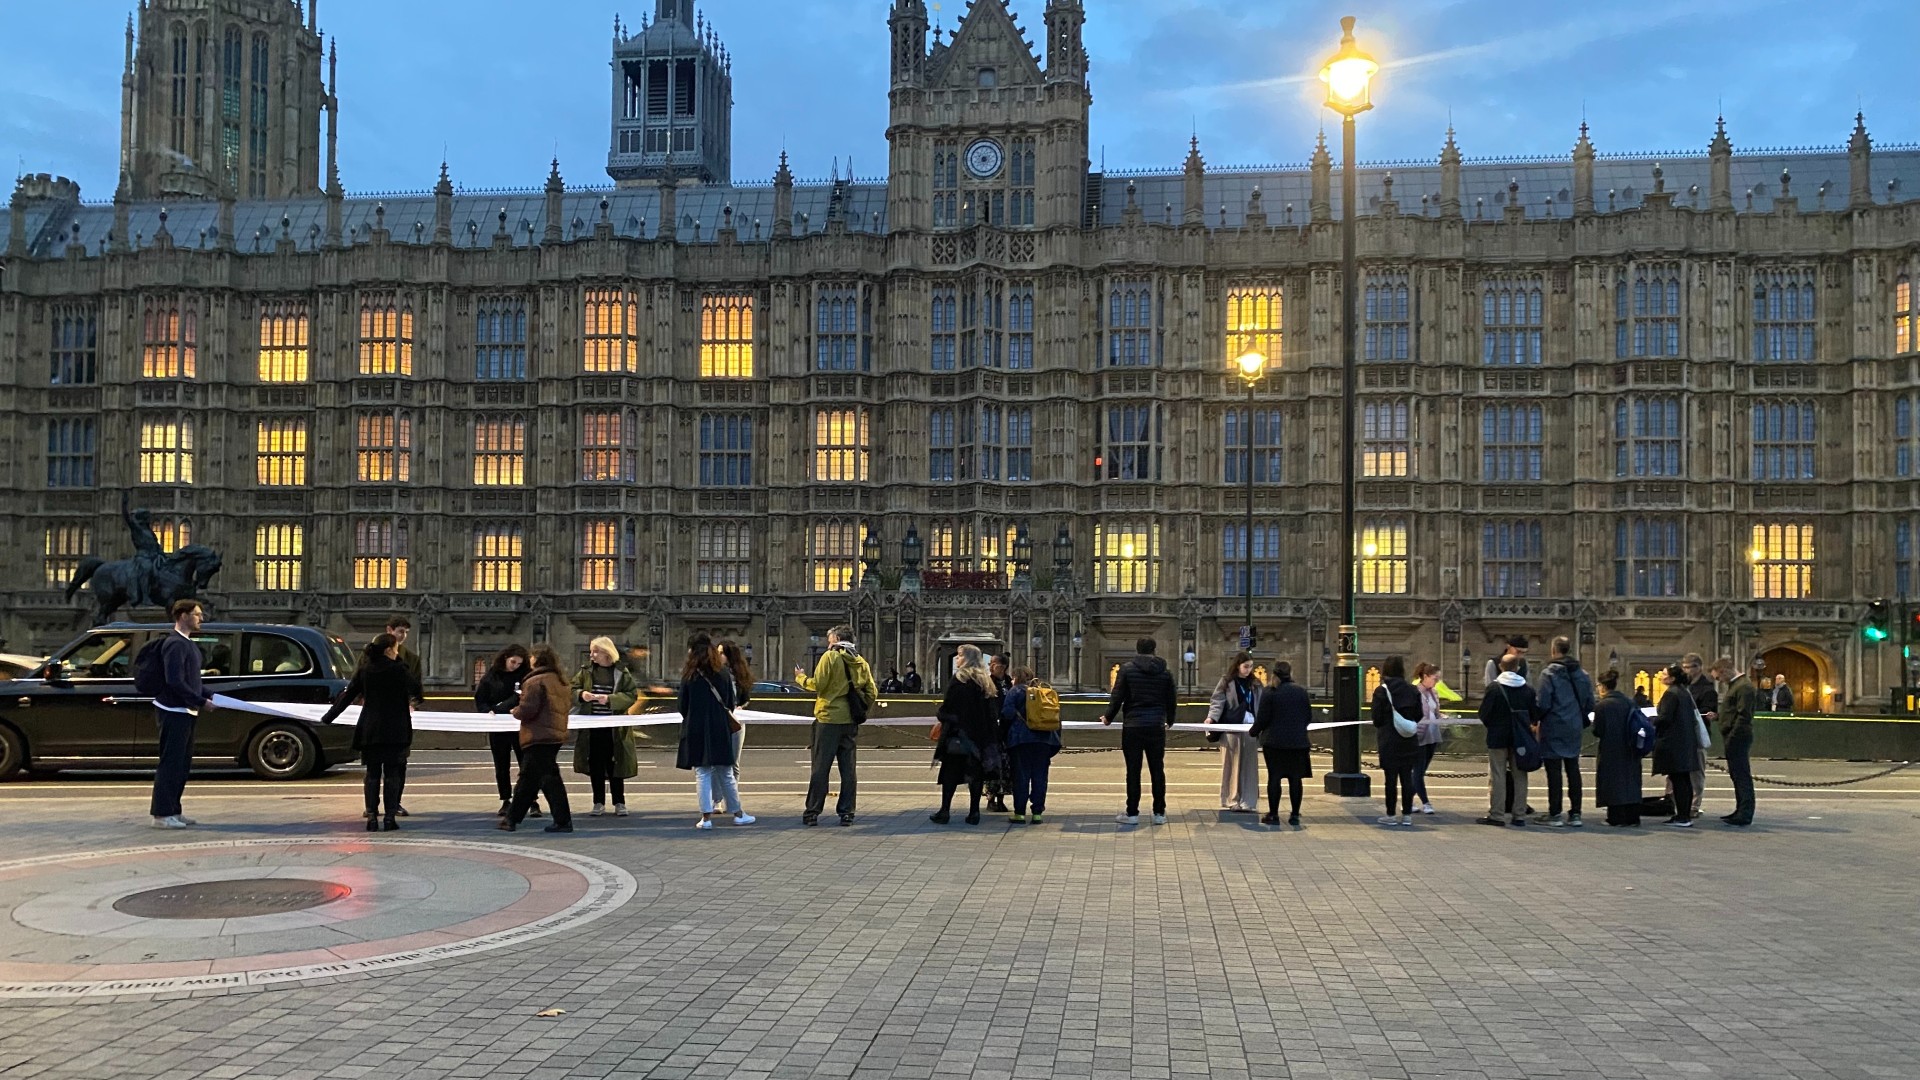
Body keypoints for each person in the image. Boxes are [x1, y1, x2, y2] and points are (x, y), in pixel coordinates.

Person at [321, 633, 420, 831]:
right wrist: (400, 663)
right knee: (392, 774)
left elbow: (347, 696)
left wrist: (328, 717)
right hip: (395, 729)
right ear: (389, 650)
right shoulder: (399, 669)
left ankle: (372, 817)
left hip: (370, 728)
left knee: (372, 774)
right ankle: (390, 818)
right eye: (395, 649)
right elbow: (417, 690)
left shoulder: (365, 670)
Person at [795, 624, 878, 827]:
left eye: (829, 639)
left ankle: (812, 812)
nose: (827, 642)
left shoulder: (830, 657)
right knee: (848, 769)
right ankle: (847, 812)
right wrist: (860, 708)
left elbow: (819, 685)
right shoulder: (859, 660)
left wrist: (800, 678)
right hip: (850, 720)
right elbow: (872, 692)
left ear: (836, 638)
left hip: (828, 719)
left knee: (821, 768)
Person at [148, 598, 216, 829]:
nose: (201, 618)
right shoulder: (175, 644)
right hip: (173, 710)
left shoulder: (187, 644)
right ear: (183, 616)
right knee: (170, 763)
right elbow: (175, 681)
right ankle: (162, 814)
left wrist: (208, 695)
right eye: (197, 614)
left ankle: (174, 810)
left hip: (186, 710)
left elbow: (192, 681)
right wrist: (200, 700)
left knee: (182, 764)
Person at [677, 633, 753, 829]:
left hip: (696, 727)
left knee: (702, 773)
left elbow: (681, 705)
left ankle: (706, 818)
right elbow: (729, 702)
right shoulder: (722, 673)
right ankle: (738, 814)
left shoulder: (689, 675)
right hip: (719, 726)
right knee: (726, 771)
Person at [1101, 637, 1179, 825]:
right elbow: (1171, 698)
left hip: (1134, 725)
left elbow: (1117, 696)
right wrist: (1170, 720)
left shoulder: (1127, 670)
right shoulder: (1165, 672)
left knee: (1133, 771)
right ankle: (1159, 813)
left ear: (1137, 649)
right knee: (1157, 770)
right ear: (1154, 650)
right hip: (1156, 725)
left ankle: (1132, 813)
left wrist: (1108, 717)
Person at [499, 644, 574, 833]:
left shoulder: (535, 681)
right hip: (554, 734)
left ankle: (516, 819)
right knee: (537, 778)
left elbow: (528, 709)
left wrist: (515, 711)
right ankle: (514, 819)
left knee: (538, 779)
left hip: (538, 735)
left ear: (536, 659)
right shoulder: (559, 679)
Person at [930, 645, 1001, 825]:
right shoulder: (986, 682)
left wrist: (941, 715)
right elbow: (992, 714)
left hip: (958, 737)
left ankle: (944, 811)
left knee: (950, 775)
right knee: (975, 776)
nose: (957, 659)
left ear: (968, 658)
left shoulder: (959, 679)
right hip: (979, 739)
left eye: (960, 655)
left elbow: (949, 709)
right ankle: (974, 812)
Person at [572, 637, 640, 816]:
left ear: (607, 652)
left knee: (615, 763)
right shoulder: (585, 671)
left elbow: (631, 695)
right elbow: (571, 689)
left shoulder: (621, 672)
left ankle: (619, 802)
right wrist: (581, 694)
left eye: (595, 651)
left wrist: (610, 700)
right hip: (592, 726)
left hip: (615, 727)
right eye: (591, 651)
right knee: (595, 763)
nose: (592, 655)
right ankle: (598, 802)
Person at [1533, 636, 1595, 828]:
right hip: (1574, 726)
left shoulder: (1549, 674)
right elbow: (1590, 703)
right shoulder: (1583, 674)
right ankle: (1576, 813)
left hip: (1553, 726)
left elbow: (1543, 703)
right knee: (1573, 769)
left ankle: (1555, 813)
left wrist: (1535, 720)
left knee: (1554, 772)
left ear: (1553, 650)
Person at [474, 643, 540, 819]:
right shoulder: (491, 676)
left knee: (525, 764)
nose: (515, 666)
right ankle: (505, 799)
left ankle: (532, 800)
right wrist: (486, 710)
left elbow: (522, 696)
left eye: (519, 663)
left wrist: (502, 707)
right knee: (501, 764)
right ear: (505, 658)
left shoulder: (525, 675)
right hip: (497, 726)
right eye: (513, 662)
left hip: (520, 725)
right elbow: (481, 699)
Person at [1248, 661, 1313, 826]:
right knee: (1295, 779)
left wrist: (1253, 732)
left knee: (1274, 778)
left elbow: (1262, 719)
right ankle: (1295, 815)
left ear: (1274, 674)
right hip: (1298, 743)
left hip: (1275, 743)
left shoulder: (1270, 692)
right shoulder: (1301, 692)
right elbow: (1308, 717)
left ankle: (1274, 815)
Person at [1476, 654, 1538, 827]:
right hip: (1521, 739)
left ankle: (1497, 814)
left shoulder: (1494, 689)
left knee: (1498, 775)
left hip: (1498, 737)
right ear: (1518, 668)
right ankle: (1519, 814)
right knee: (1520, 776)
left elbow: (1484, 714)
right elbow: (1534, 715)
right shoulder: (1527, 689)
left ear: (1501, 667)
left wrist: (1494, 726)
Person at [1205, 652, 1263, 813]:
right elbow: (1217, 701)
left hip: (1250, 728)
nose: (1248, 670)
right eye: (1246, 666)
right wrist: (1211, 718)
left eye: (1250, 666)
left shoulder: (1256, 684)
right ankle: (1231, 799)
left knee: (1249, 765)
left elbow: (1261, 704)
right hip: (1231, 727)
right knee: (1231, 764)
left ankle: (1248, 800)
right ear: (1238, 665)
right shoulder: (1227, 682)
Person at [1001, 666, 1060, 824]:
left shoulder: (1015, 691)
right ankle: (1037, 813)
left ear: (1016, 677)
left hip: (1021, 740)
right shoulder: (1043, 692)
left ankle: (1020, 813)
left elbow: (1006, 713)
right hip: (1044, 741)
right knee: (1040, 777)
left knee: (1021, 777)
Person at [1370, 656, 1423, 827]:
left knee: (1390, 779)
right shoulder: (1412, 690)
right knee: (1407, 777)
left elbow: (1376, 718)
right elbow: (1419, 714)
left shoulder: (1381, 691)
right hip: (1408, 739)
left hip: (1389, 740)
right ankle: (1407, 815)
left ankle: (1391, 815)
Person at [1589, 668, 1644, 827]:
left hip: (1611, 749)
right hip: (1631, 747)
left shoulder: (1602, 706)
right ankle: (1633, 817)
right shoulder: (1629, 701)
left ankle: (1616, 818)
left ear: (1603, 686)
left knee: (1613, 782)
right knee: (1631, 780)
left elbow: (1598, 731)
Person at [1653, 663, 1703, 827]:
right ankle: (1683, 814)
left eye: (1664, 673)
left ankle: (1682, 816)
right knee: (1683, 780)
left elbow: (1665, 718)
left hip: (1674, 743)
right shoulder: (1683, 692)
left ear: (1672, 678)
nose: (1661, 676)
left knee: (1679, 780)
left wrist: (1650, 720)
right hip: (1685, 742)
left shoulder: (1672, 694)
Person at [1720, 657, 1761, 827]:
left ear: (1725, 671)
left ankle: (1745, 813)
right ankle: (1740, 809)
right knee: (1736, 775)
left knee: (1742, 775)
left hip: (1738, 737)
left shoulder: (1744, 686)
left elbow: (1743, 715)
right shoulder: (1737, 685)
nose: (1720, 681)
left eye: (1719, 677)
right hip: (1733, 735)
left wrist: (1733, 736)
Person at [1680, 652, 1716, 819]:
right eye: (1684, 667)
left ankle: (1694, 805)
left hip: (1697, 734)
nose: (1686, 671)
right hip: (1682, 734)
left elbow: (1709, 710)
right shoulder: (1684, 686)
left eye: (1689, 667)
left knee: (1696, 772)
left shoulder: (1707, 688)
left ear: (1698, 667)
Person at [1409, 662, 1445, 814]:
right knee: (1418, 770)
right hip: (1420, 734)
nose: (1436, 681)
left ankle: (1407, 800)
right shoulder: (1416, 692)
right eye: (1435, 678)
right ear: (1425, 676)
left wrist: (1441, 716)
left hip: (1432, 733)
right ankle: (1426, 802)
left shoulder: (1434, 693)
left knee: (1422, 769)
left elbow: (1435, 712)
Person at [718, 639, 754, 781]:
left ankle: (732, 799)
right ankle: (717, 799)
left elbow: (746, 698)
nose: (718, 655)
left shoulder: (739, 674)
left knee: (733, 762)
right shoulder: (716, 672)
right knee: (718, 762)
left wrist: (741, 707)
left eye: (721, 653)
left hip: (736, 719)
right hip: (719, 718)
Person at [984, 655, 1014, 813]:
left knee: (1006, 767)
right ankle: (991, 798)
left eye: (992, 664)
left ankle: (1001, 798)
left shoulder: (1010, 683)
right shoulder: (987, 683)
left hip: (1008, 730)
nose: (990, 666)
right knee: (993, 766)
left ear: (1002, 666)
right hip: (992, 731)